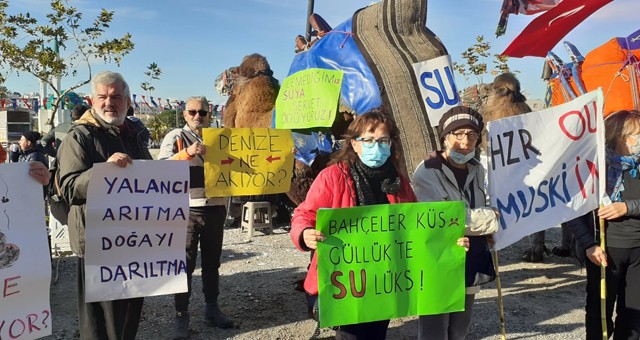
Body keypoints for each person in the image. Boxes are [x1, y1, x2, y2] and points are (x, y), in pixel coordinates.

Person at [291, 110, 466, 339]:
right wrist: (304, 234)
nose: (377, 146)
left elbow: (417, 227)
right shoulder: (332, 177)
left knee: (376, 334)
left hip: (385, 282)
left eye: (383, 141)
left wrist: (449, 242)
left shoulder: (399, 181)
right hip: (347, 283)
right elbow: (304, 214)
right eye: (369, 140)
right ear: (354, 144)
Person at [57, 71, 152, 340]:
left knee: (129, 317)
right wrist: (104, 171)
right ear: (91, 100)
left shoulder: (135, 134)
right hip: (99, 244)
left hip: (134, 240)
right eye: (103, 97)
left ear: (127, 101)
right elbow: (69, 188)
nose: (109, 102)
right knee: (102, 325)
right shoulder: (79, 137)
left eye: (116, 97)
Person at [411, 106, 499, 340]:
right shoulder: (427, 172)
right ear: (444, 138)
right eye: (457, 134)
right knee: (434, 330)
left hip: (469, 257)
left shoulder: (477, 169)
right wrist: (490, 219)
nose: (465, 141)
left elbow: (474, 206)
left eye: (471, 135)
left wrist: (484, 233)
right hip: (437, 261)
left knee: (460, 329)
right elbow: (443, 219)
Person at [157, 96, 234, 339]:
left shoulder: (221, 137)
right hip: (188, 208)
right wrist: (187, 153)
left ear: (209, 113)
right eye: (192, 112)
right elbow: (160, 169)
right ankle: (182, 314)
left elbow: (246, 160)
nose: (197, 116)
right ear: (185, 114)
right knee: (185, 264)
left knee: (212, 263)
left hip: (216, 207)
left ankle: (212, 309)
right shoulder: (175, 137)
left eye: (202, 112)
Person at [566, 109, 640, 339]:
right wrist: (589, 244)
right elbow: (571, 209)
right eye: (638, 135)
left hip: (638, 251)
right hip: (604, 252)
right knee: (599, 314)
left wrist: (627, 207)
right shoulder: (593, 169)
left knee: (634, 317)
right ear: (621, 136)